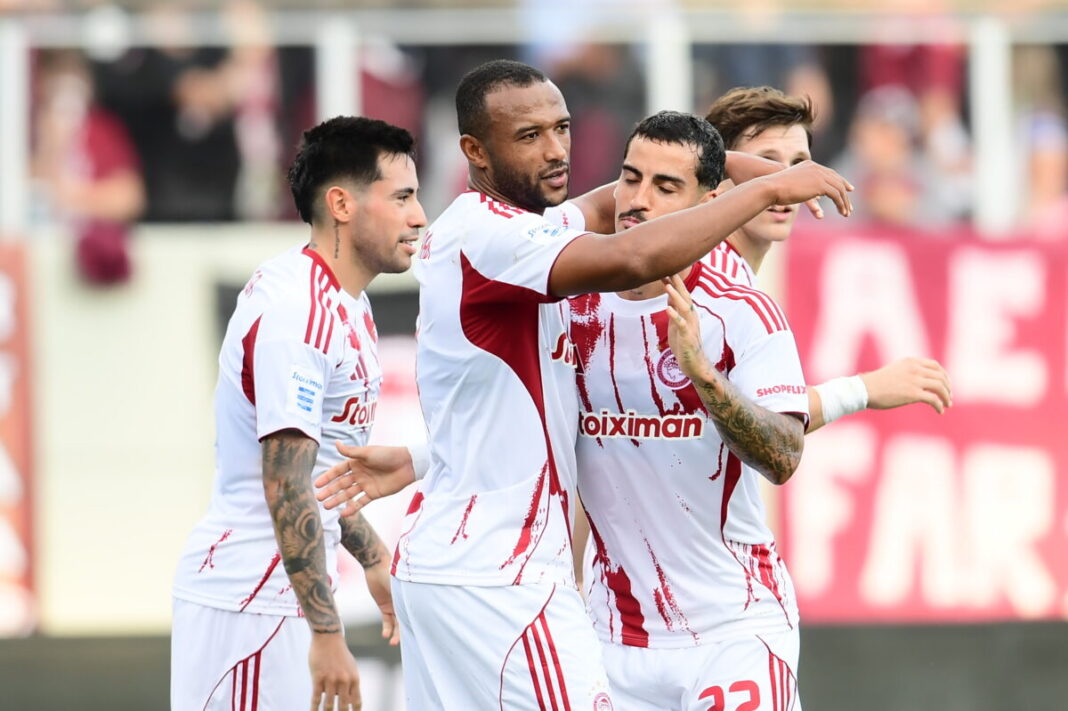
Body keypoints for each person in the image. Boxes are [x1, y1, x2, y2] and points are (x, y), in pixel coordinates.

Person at [315, 59, 851, 709]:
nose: (555, 150)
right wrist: (772, 188)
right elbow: (635, 251)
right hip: (506, 578)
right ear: (474, 151)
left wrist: (423, 457)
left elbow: (608, 209)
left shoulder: (536, 233)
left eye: (562, 128)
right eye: (529, 135)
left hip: (698, 619)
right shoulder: (511, 248)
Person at [171, 116, 427, 711]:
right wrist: (327, 634)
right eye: (402, 198)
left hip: (277, 597)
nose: (419, 217)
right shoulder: (298, 311)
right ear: (341, 204)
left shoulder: (347, 304)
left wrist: (373, 557)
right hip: (248, 602)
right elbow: (285, 483)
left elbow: (318, 478)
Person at [704, 86, 952, 428]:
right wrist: (865, 389)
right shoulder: (711, 284)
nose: (788, 181)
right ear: (719, 174)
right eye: (766, 163)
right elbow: (768, 421)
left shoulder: (726, 272)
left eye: (798, 165)